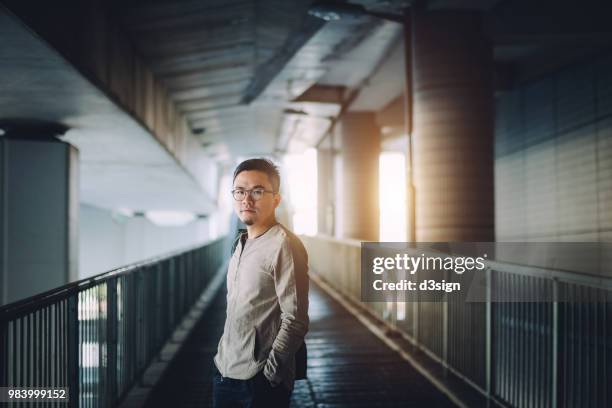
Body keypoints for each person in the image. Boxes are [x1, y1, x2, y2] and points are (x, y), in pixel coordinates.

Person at [212, 158, 309, 408]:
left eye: (257, 191)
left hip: (258, 381)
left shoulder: (284, 245)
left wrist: (270, 373)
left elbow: (296, 319)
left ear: (276, 200)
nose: (247, 199)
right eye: (240, 191)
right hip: (225, 371)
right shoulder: (240, 243)